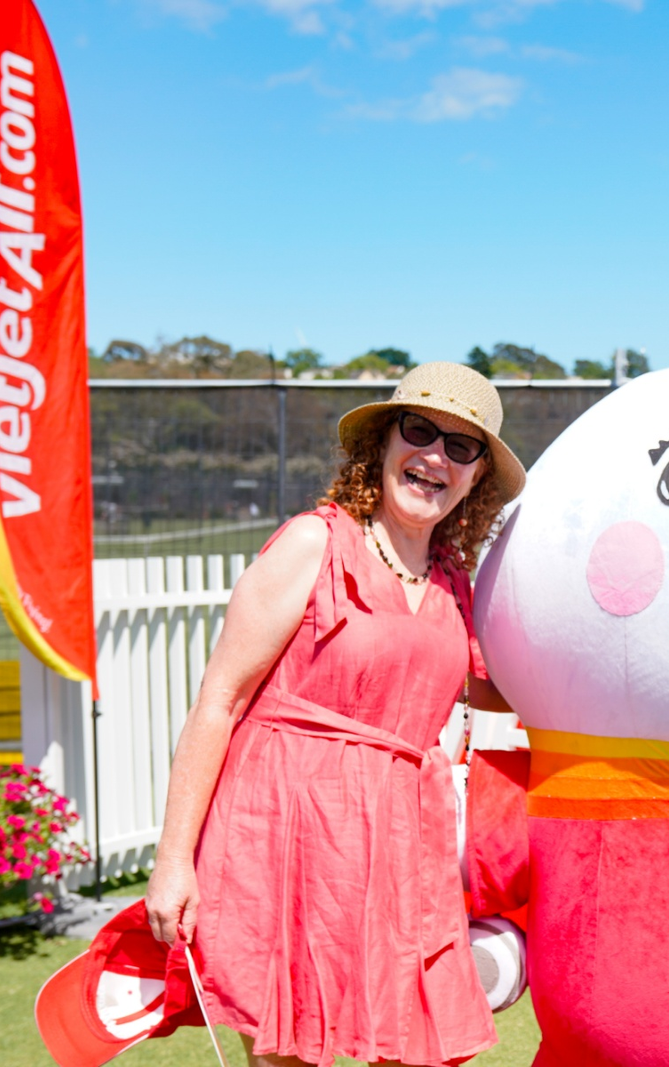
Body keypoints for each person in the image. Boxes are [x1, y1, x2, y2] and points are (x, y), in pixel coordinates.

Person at [144, 363, 526, 1067]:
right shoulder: (313, 544)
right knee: (286, 1049)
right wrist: (174, 860)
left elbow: (503, 689)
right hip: (286, 829)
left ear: (475, 478)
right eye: (419, 430)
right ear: (383, 443)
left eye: (461, 446)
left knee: (420, 1041)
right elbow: (219, 699)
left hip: (403, 839)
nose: (435, 455)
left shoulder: (450, 582)